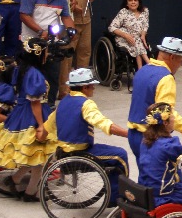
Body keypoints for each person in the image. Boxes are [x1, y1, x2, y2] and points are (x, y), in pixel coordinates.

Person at [0, 38, 57, 201]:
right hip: (32, 115)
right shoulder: (35, 74)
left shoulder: (21, 69)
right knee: (40, 156)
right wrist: (41, 125)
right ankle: (30, 192)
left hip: (20, 113)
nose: (47, 55)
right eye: (45, 52)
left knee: (33, 155)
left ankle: (16, 179)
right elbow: (35, 103)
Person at [53, 68, 130, 206]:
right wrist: (128, 134)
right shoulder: (86, 104)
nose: (94, 88)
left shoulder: (64, 102)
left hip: (63, 152)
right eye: (92, 85)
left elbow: (48, 126)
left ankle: (113, 192)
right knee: (120, 156)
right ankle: (117, 200)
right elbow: (104, 123)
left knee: (111, 152)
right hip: (80, 153)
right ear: (85, 87)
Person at [126, 36, 182, 161]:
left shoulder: (142, 70)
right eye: (181, 60)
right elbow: (166, 114)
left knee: (146, 171)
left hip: (133, 135)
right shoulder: (166, 78)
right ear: (172, 57)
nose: (181, 64)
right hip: (151, 138)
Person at [19, 0, 75, 105]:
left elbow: (66, 17)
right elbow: (24, 15)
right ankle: (27, 105)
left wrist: (71, 31)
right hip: (31, 43)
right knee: (30, 74)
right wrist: (40, 31)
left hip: (51, 43)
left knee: (52, 75)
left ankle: (49, 105)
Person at [59, 0, 95, 95]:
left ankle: (82, 87)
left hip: (85, 20)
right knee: (67, 56)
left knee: (84, 53)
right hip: (69, 21)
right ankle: (64, 90)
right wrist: (71, 6)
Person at [108, 0, 150, 70]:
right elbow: (111, 27)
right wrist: (125, 35)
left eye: (135, 0)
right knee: (136, 41)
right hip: (123, 38)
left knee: (137, 41)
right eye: (130, 0)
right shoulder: (123, 12)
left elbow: (145, 25)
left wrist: (143, 35)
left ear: (139, 2)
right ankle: (150, 64)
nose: (133, 2)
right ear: (127, 3)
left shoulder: (145, 11)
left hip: (137, 39)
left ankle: (140, 70)